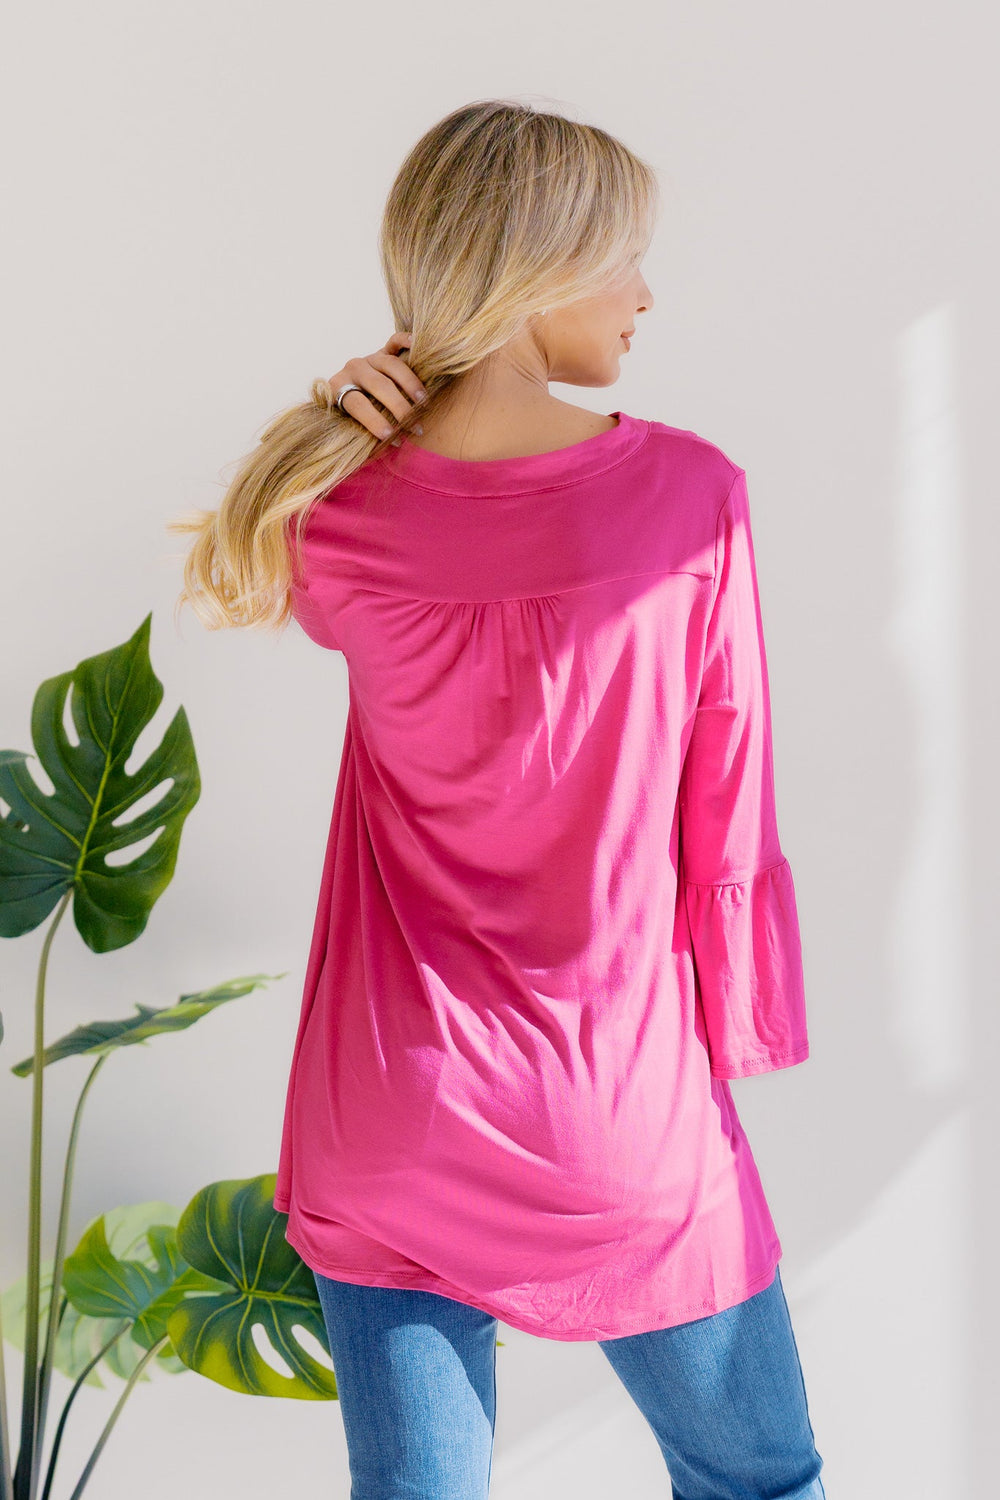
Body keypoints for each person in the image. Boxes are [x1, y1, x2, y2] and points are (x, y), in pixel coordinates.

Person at [170, 99, 826, 1500]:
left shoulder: (333, 516)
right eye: (625, 257)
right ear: (539, 273)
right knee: (760, 1483)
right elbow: (728, 802)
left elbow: (309, 557)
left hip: (384, 1113)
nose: (646, 293)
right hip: (615, 1110)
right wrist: (747, 1026)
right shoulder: (690, 496)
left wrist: (360, 401)